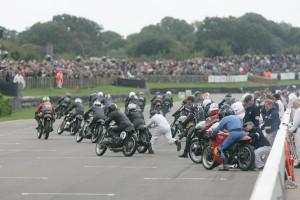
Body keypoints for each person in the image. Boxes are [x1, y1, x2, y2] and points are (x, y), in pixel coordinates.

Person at [288, 99, 300, 168]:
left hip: (299, 130)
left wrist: (290, 130)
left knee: (298, 146)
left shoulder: (298, 111)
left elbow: (296, 122)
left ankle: (298, 162)